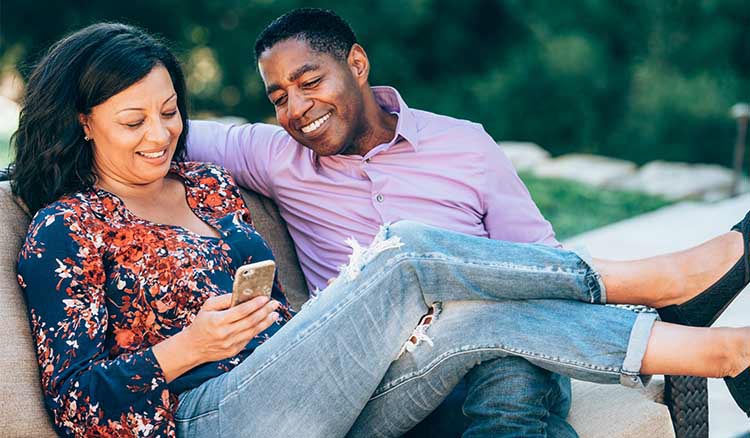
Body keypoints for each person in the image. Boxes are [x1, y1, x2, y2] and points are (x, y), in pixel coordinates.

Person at [12, 22, 750, 438]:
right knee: (405, 253)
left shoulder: (206, 181)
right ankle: (644, 283)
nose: (160, 135)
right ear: (84, 125)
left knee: (473, 323)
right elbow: (77, 404)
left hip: (318, 393)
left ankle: (710, 350)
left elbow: (282, 318)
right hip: (212, 417)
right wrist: (187, 348)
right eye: (133, 121)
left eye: (170, 112)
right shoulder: (66, 230)